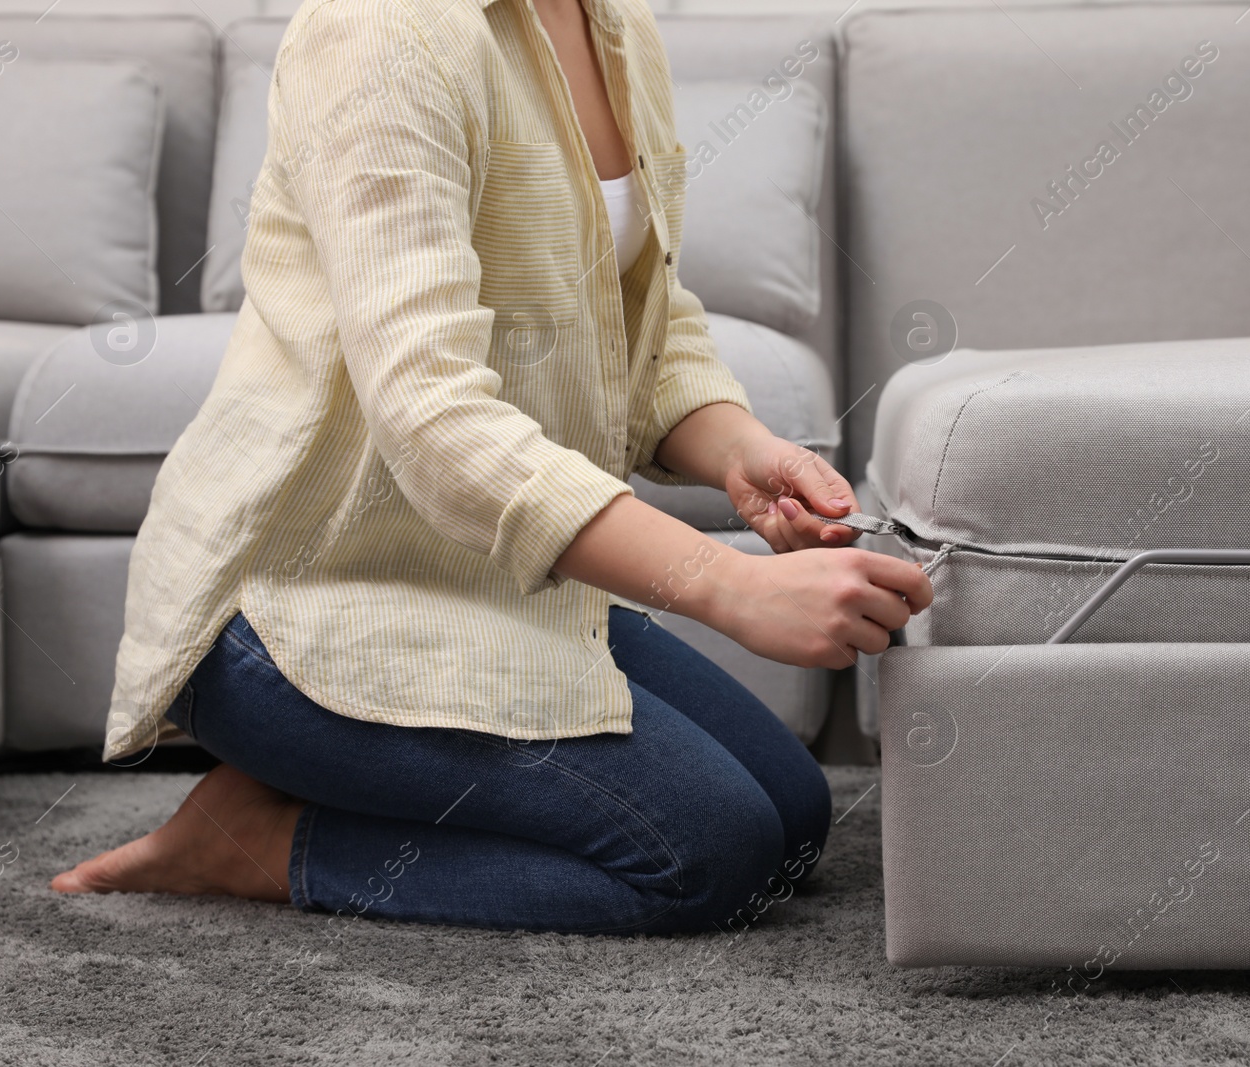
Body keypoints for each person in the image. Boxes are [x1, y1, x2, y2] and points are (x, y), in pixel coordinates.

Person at [50, 0, 931, 935]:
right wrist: (724, 586)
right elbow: (433, 414)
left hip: (493, 576)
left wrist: (741, 450)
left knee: (792, 821)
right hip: (297, 601)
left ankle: (339, 790)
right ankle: (259, 843)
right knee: (707, 855)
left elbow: (645, 326)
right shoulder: (381, 29)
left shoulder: (614, 24)